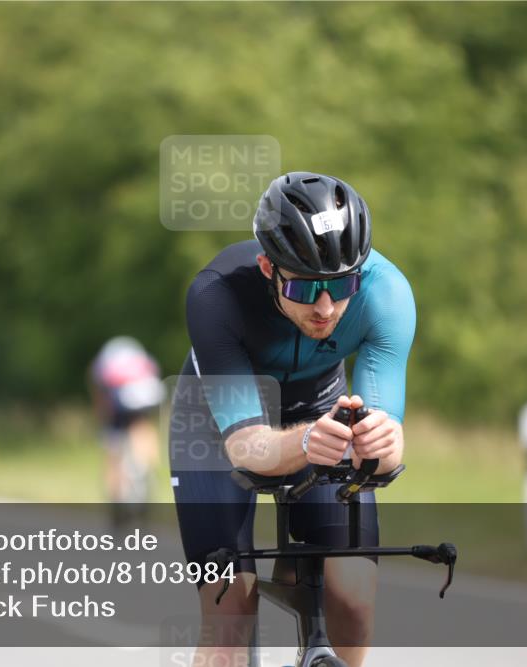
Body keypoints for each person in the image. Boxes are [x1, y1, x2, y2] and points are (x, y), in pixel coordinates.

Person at [169, 172, 416, 667]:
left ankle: (301, 576)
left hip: (318, 406)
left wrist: (384, 444)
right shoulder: (216, 296)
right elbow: (246, 448)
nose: (326, 307)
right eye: (306, 289)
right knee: (229, 619)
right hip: (216, 423)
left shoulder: (386, 294)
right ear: (269, 267)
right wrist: (306, 443)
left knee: (353, 600)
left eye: (342, 285)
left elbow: (386, 449)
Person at [89, 336, 166, 531]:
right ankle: (147, 469)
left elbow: (101, 402)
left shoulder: (101, 368)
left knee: (113, 450)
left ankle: (117, 506)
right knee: (142, 426)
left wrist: (104, 425)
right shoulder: (144, 362)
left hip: (122, 400)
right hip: (144, 395)